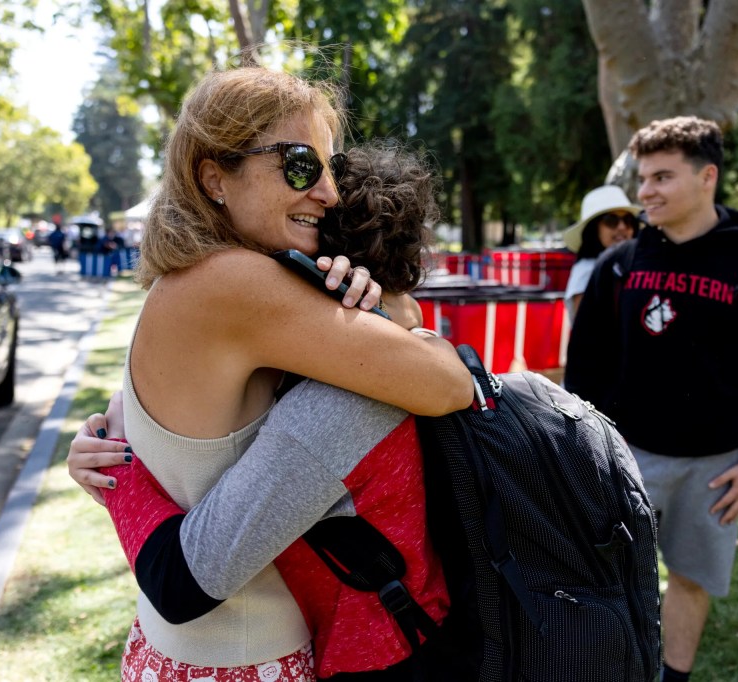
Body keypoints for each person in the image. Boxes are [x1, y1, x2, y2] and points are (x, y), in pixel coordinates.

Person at [66, 63, 473, 682]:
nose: (330, 193)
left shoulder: (186, 284)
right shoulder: (235, 282)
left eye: (330, 168)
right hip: (240, 655)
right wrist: (395, 311)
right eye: (301, 165)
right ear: (214, 178)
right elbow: (447, 384)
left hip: (176, 650)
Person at [563, 116, 738, 682]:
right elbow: (584, 373)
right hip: (621, 457)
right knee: (604, 579)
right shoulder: (619, 265)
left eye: (662, 177)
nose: (645, 192)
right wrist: (587, 453)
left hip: (714, 467)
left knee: (690, 578)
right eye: (643, 178)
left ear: (708, 177)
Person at [561, 185, 640, 320]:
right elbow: (586, 329)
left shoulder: (630, 264)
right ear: (594, 229)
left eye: (628, 220)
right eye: (611, 220)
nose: (622, 227)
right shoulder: (587, 271)